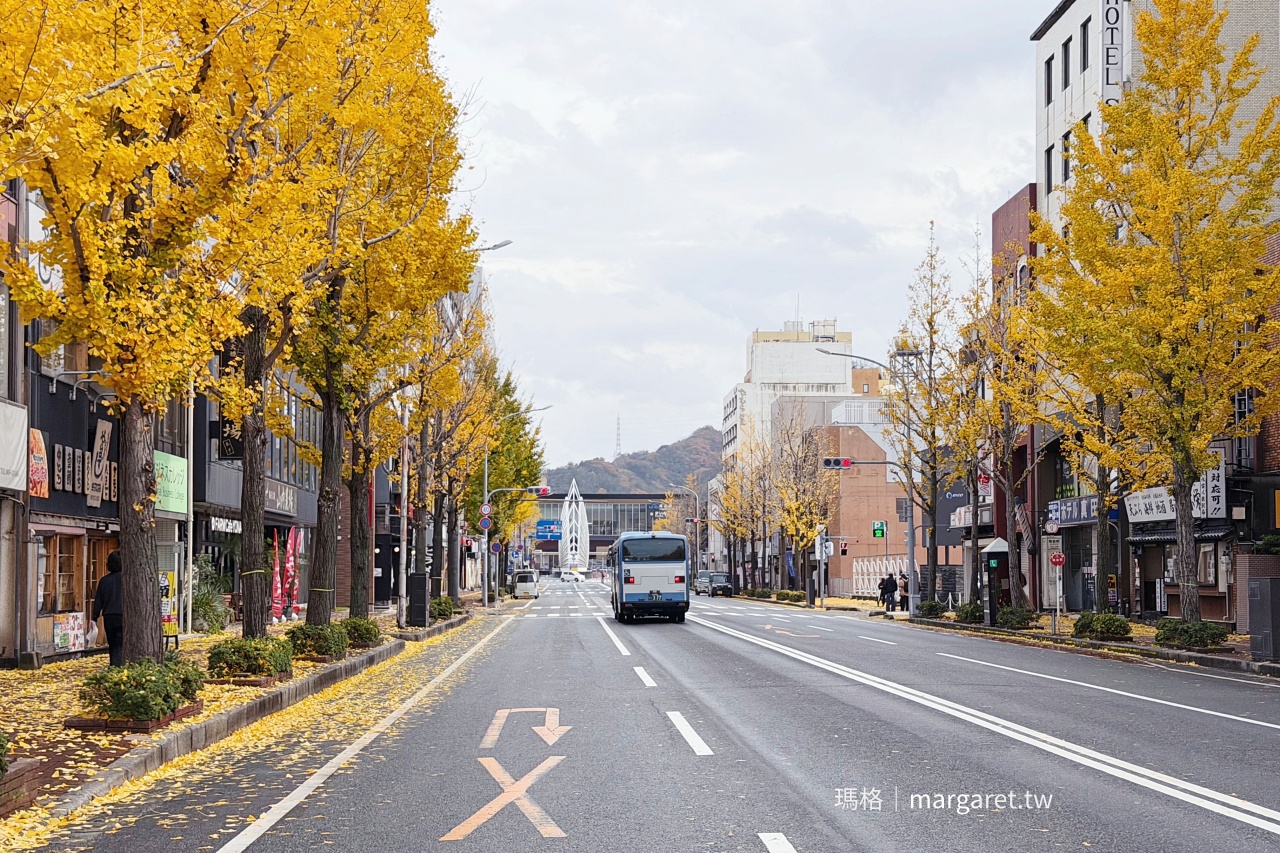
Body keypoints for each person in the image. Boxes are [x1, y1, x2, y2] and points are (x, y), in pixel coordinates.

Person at [93, 551, 125, 667]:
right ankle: (123, 666)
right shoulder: (128, 579)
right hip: (124, 615)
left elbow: (98, 600)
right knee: (123, 643)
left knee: (113, 644)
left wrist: (94, 617)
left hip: (109, 616)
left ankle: (114, 665)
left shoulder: (104, 580)